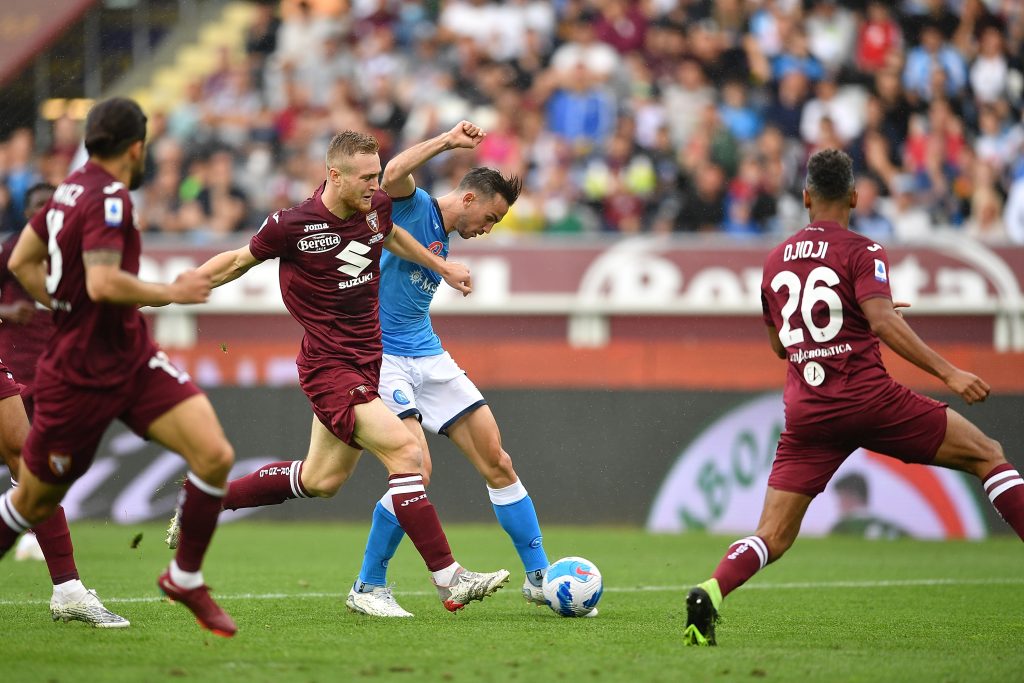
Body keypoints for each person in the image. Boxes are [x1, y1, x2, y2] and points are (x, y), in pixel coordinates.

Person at [682, 149, 1024, 646]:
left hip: (807, 414)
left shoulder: (775, 259)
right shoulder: (863, 250)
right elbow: (882, 321)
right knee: (987, 454)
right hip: (868, 400)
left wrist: (858, 313)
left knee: (773, 535)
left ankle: (711, 590)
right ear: (855, 197)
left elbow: (782, 345)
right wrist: (949, 372)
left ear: (805, 198)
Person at [165, 130, 510, 612]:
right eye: (367, 177)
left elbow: (391, 235)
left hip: (366, 361)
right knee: (408, 454)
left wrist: (442, 267)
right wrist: (178, 288)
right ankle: (448, 578)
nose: (376, 185)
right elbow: (238, 262)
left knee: (320, 480)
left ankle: (203, 501)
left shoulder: (374, 209)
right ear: (335, 175)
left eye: (377, 175)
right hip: (329, 367)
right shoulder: (293, 225)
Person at [3, 98, 239, 637]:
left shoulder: (64, 190)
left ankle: (185, 576)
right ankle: (70, 585)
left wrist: (61, 304)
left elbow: (21, 261)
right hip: (83, 370)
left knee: (214, 453)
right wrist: (171, 291)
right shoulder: (109, 196)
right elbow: (104, 284)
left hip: (131, 357)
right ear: (137, 147)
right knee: (32, 499)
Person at [343, 120, 590, 618]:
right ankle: (368, 585)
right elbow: (391, 171)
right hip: (385, 356)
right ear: (470, 199)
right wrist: (447, 141)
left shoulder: (448, 239)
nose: (489, 229)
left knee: (497, 459)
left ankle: (539, 577)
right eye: (491, 217)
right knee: (413, 467)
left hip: (427, 353)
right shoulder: (414, 206)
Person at [0, 182, 129, 627]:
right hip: (17, 367)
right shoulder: (13, 249)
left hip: (45, 374)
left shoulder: (76, 255)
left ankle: (68, 588)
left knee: (31, 462)